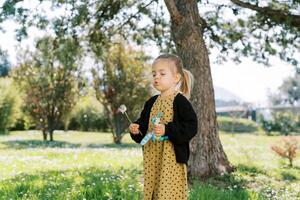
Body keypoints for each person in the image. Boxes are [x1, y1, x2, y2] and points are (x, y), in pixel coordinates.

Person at [129, 53, 198, 200]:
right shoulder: (151, 102)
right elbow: (143, 123)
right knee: (153, 192)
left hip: (171, 158)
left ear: (176, 77)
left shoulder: (180, 101)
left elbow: (191, 126)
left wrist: (167, 129)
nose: (156, 77)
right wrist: (136, 129)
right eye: (154, 74)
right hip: (152, 157)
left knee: (168, 193)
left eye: (162, 73)